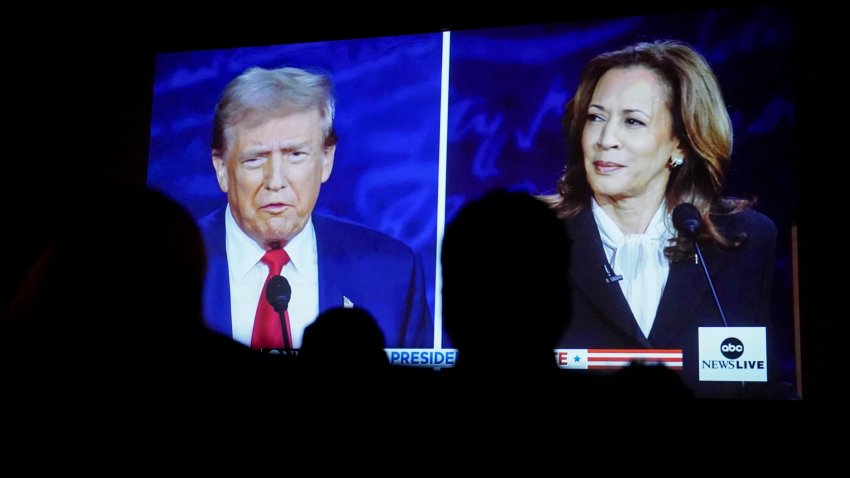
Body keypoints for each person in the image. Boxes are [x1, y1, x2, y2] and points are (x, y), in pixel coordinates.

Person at [548, 40, 795, 398]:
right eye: (595, 117)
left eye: (632, 121)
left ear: (680, 142)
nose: (605, 139)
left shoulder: (743, 240)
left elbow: (759, 386)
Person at [200, 66, 432, 350]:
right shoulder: (166, 265)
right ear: (221, 168)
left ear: (326, 159)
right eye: (255, 159)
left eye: (295, 155)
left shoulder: (391, 271)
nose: (275, 181)